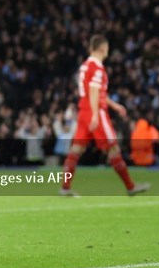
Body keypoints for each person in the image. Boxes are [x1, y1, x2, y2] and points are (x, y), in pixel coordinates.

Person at [60, 35, 150, 196]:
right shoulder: (98, 68)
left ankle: (65, 188)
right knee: (113, 148)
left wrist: (114, 105)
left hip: (83, 112)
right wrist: (95, 114)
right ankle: (130, 187)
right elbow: (94, 91)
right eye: (107, 47)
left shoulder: (85, 66)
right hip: (96, 113)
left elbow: (95, 91)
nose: (108, 50)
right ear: (102, 48)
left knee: (76, 150)